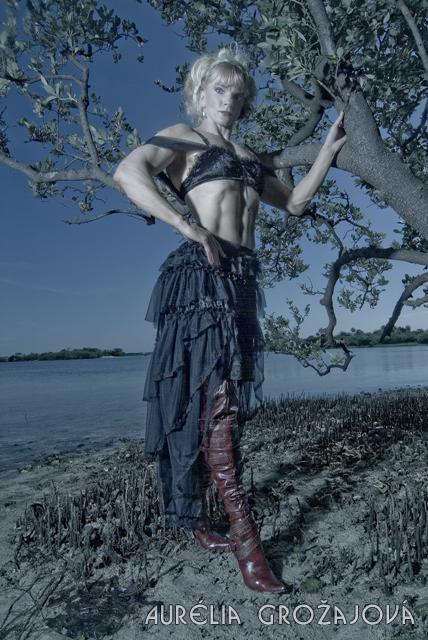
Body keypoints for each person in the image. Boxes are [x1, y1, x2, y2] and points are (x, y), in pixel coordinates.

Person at [113, 46, 347, 593]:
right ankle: (247, 543)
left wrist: (327, 151)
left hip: (242, 280)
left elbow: (294, 204)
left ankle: (199, 520)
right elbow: (128, 172)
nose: (229, 100)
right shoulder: (184, 138)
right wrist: (185, 225)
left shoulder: (249, 155)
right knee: (215, 407)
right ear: (200, 92)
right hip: (201, 276)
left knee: (222, 406)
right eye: (220, 90)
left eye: (238, 94)